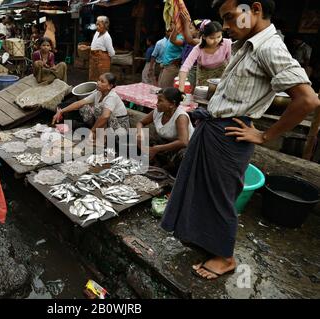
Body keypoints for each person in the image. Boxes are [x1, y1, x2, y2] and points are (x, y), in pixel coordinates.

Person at [161, 0, 319, 281]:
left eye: (231, 18)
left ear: (255, 9)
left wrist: (264, 135)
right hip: (215, 127)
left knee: (221, 198)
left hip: (230, 135)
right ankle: (202, 239)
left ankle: (225, 256)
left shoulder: (269, 47)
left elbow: (307, 100)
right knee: (200, 189)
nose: (228, 27)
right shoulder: (246, 45)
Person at [136, 88, 194, 174]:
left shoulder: (181, 117)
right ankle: (153, 162)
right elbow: (141, 122)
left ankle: (170, 172)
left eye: (160, 101)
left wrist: (157, 148)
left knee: (182, 156)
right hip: (165, 142)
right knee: (135, 136)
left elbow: (183, 142)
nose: (157, 104)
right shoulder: (157, 112)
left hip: (182, 147)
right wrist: (139, 133)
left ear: (172, 104)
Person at [52, 73, 130, 134]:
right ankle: (93, 129)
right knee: (84, 106)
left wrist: (92, 131)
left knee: (101, 111)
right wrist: (61, 111)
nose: (98, 82)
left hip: (119, 128)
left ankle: (97, 133)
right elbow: (80, 102)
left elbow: (106, 116)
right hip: (106, 125)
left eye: (102, 81)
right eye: (98, 80)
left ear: (109, 86)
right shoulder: (98, 93)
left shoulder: (112, 96)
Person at [178, 20, 232, 90]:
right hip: (204, 77)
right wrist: (181, 89)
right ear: (204, 37)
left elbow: (232, 63)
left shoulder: (227, 43)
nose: (216, 40)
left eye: (219, 37)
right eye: (212, 38)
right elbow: (185, 68)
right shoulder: (198, 49)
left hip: (221, 76)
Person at [85, 16, 115, 82]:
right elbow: (96, 45)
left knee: (102, 80)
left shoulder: (107, 37)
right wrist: (89, 47)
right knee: (93, 80)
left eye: (99, 25)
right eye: (96, 24)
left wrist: (102, 55)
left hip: (102, 62)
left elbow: (112, 53)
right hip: (94, 60)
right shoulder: (96, 33)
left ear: (105, 25)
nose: (96, 26)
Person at [158, 23, 184, 88]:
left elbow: (185, 51)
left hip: (172, 67)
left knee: (165, 88)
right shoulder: (171, 37)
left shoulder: (181, 38)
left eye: (172, 23)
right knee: (162, 86)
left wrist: (179, 59)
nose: (170, 25)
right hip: (166, 66)